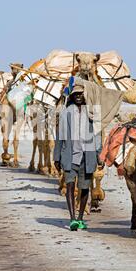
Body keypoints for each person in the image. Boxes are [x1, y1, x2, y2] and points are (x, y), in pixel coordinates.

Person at [54, 81, 102, 231]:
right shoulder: (66, 113)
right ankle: (72, 218)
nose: (79, 97)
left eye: (81, 94)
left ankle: (81, 218)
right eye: (76, 94)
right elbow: (60, 136)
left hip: (87, 156)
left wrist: (99, 155)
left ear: (85, 95)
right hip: (69, 156)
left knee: (85, 188)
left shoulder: (92, 112)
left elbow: (97, 134)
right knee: (69, 185)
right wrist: (57, 157)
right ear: (72, 97)